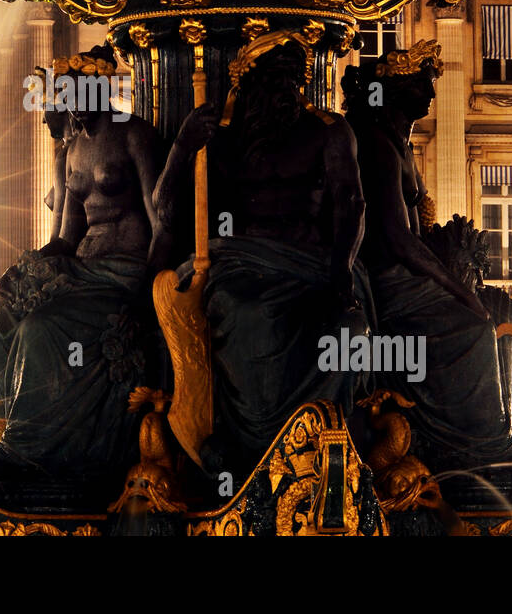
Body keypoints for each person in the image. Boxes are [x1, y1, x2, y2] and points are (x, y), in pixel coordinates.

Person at [155, 29, 370, 474]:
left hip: (314, 266)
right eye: (273, 79)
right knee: (247, 312)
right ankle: (253, 448)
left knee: (348, 326)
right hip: (241, 264)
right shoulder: (223, 138)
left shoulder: (330, 131)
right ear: (247, 84)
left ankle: (324, 446)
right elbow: (165, 209)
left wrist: (341, 273)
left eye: (292, 79)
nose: (284, 91)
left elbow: (352, 203)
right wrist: (182, 144)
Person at [0, 45, 163, 481]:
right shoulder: (72, 152)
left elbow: (161, 218)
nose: (67, 106)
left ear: (100, 88)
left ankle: (27, 454)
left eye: (74, 94)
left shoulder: (133, 135)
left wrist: (151, 293)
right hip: (80, 273)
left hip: (123, 274)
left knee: (39, 329)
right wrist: (19, 274)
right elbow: (65, 239)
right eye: (63, 96)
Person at [342, 41, 512, 469]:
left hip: (404, 270)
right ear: (397, 89)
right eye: (423, 84)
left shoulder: (399, 143)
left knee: (497, 308)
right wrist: (457, 288)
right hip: (386, 276)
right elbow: (399, 239)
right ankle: (474, 448)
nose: (433, 94)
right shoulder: (378, 146)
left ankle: (495, 431)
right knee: (472, 326)